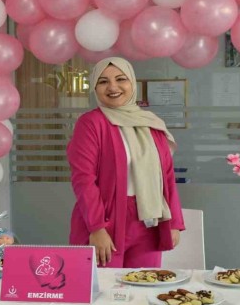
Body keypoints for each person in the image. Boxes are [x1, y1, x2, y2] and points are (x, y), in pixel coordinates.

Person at [67, 57, 184, 268]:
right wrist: (96, 227)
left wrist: (174, 221)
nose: (113, 87)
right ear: (94, 87)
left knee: (144, 283)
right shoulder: (91, 123)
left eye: (121, 79)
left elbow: (166, 176)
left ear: (132, 82)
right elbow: (83, 179)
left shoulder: (150, 123)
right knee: (104, 285)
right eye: (103, 81)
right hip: (106, 219)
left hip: (149, 220)